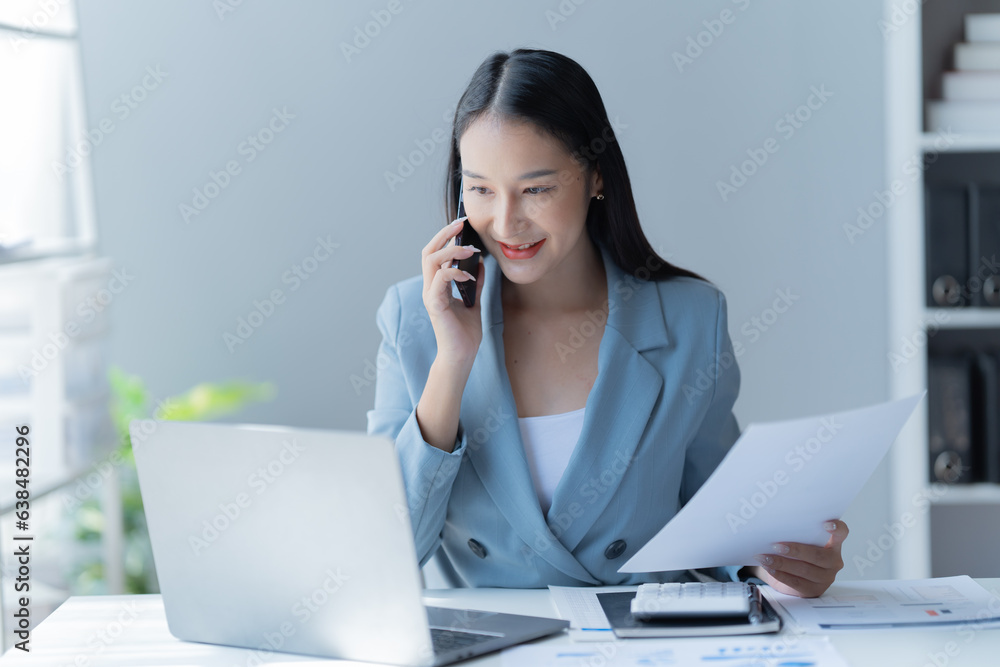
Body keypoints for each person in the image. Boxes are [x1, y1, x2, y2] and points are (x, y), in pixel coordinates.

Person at [367, 48, 847, 596]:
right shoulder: (413, 318)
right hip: (486, 648)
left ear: (596, 177)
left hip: (639, 644)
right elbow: (390, 552)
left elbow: (719, 521)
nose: (505, 222)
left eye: (536, 189)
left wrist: (776, 564)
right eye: (480, 188)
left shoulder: (691, 319)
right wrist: (452, 360)